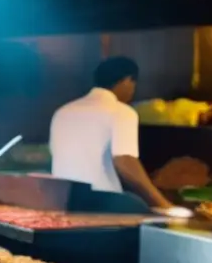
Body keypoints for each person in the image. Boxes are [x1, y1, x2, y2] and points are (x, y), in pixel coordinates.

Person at [50, 57, 173, 210]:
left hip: (62, 202)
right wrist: (163, 204)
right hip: (102, 205)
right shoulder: (121, 112)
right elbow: (125, 162)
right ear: (127, 80)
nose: (133, 91)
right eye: (134, 84)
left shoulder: (62, 112)